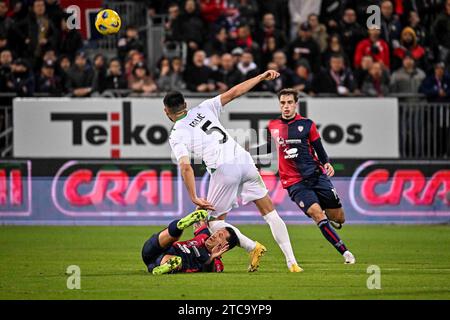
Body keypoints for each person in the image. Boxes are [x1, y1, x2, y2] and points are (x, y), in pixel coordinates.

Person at [163, 70, 302, 272]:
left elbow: (186, 167)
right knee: (270, 213)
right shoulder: (204, 107)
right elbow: (235, 91)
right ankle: (292, 262)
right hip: (245, 161)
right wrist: (261, 77)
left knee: (210, 223)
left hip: (224, 169)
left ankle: (253, 247)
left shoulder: (176, 134)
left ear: (166, 111)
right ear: (185, 104)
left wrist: (193, 196)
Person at [262, 88, 356, 264]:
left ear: (296, 104)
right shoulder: (272, 126)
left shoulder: (307, 124)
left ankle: (328, 217)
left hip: (316, 175)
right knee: (316, 213)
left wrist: (326, 162)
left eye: (289, 102)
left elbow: (318, 148)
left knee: (339, 217)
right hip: (294, 182)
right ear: (279, 104)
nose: (286, 106)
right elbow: (267, 149)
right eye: (283, 103)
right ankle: (345, 253)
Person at [141, 209, 237, 274]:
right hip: (155, 250)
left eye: (220, 236)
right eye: (217, 232)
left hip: (166, 260)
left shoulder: (216, 262)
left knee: (177, 260)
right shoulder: (204, 235)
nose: (214, 235)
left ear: (225, 245)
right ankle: (179, 225)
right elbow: (199, 216)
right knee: (173, 236)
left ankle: (163, 268)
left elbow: (209, 271)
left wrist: (211, 257)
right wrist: (201, 208)